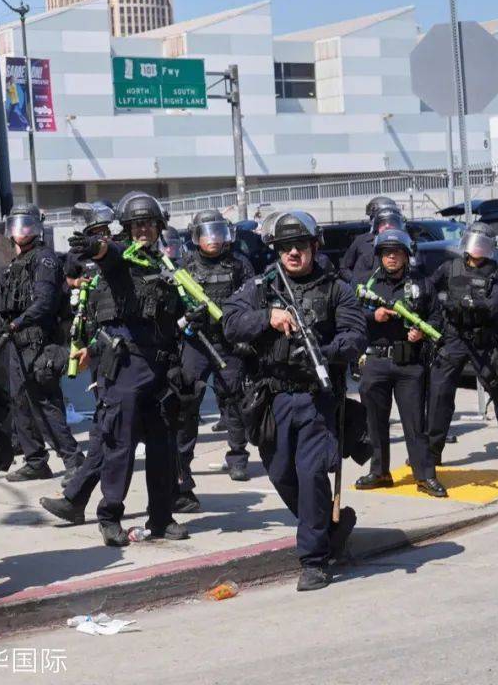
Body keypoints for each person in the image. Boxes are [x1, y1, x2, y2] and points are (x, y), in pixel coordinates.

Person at [223, 211, 367, 591]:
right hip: (273, 398)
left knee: (311, 475)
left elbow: (356, 337)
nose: (292, 253)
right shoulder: (263, 287)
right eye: (284, 247)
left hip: (317, 398)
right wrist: (267, 317)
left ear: (313, 247)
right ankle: (331, 530)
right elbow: (229, 322)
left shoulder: (337, 287)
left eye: (299, 245)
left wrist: (324, 349)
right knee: (281, 474)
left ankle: (314, 560)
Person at [40, 192, 188, 546]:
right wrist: (96, 247)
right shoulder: (123, 257)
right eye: (136, 225)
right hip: (125, 366)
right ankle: (109, 516)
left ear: (159, 228)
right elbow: (108, 255)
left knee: (162, 448)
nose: (143, 231)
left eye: (149, 224)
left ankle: (162, 517)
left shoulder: (164, 264)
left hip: (161, 366)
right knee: (118, 445)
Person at [0, 203, 84, 483]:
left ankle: (73, 460)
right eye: (17, 226)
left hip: (38, 343)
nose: (21, 232)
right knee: (20, 402)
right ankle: (35, 461)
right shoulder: (17, 263)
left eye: (27, 225)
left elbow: (44, 303)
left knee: (46, 403)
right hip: (17, 343)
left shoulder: (43, 259)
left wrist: (19, 322)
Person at [354, 230, 447, 497]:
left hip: (410, 364)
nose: (391, 256)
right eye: (386, 252)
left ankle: (425, 475)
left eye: (396, 252)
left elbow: (437, 319)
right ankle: (380, 472)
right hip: (375, 361)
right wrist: (375, 317)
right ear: (380, 256)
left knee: (415, 423)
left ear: (407, 255)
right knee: (374, 422)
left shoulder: (423, 284)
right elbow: (350, 316)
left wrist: (422, 333)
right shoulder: (367, 284)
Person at [174, 210, 255, 513]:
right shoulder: (185, 265)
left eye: (218, 232)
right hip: (195, 342)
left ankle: (237, 457)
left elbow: (252, 299)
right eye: (207, 233)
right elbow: (171, 306)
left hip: (228, 341)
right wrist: (185, 319)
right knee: (187, 403)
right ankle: (182, 467)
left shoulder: (239, 264)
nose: (213, 239)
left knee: (234, 398)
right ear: (196, 236)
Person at [426, 222, 498, 472]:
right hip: (454, 337)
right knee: (440, 394)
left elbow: (495, 305)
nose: (477, 249)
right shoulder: (449, 267)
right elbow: (427, 291)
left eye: (482, 244)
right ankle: (432, 452)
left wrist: (472, 304)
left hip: (482, 341)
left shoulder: (497, 273)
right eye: (474, 243)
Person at [339, 196, 405, 284]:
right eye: (382, 223)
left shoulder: (402, 242)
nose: (387, 226)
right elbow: (344, 268)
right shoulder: (361, 241)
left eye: (389, 222)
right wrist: (354, 282)